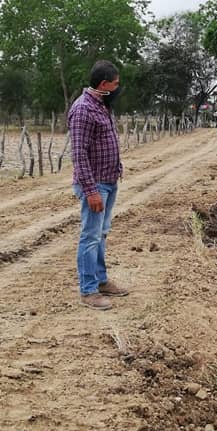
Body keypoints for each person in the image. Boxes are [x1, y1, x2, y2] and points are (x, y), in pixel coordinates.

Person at [68, 60, 129, 310]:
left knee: (101, 234)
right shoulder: (83, 109)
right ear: (104, 84)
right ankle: (88, 290)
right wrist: (91, 190)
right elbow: (79, 154)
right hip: (95, 185)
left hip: (109, 181)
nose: (117, 88)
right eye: (115, 84)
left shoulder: (102, 106)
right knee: (91, 237)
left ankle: (101, 280)